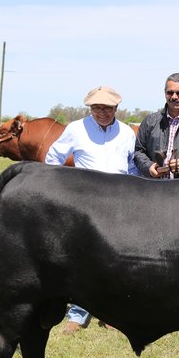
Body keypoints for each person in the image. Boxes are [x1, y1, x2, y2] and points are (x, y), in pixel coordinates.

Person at [45, 85, 140, 334]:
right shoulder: (75, 129)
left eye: (107, 108)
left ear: (116, 109)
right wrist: (65, 187)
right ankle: (78, 313)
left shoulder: (127, 133)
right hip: (85, 204)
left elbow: (133, 169)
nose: (102, 113)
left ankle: (113, 313)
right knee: (81, 259)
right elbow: (52, 159)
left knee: (117, 258)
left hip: (120, 203)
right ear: (90, 108)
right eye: (97, 108)